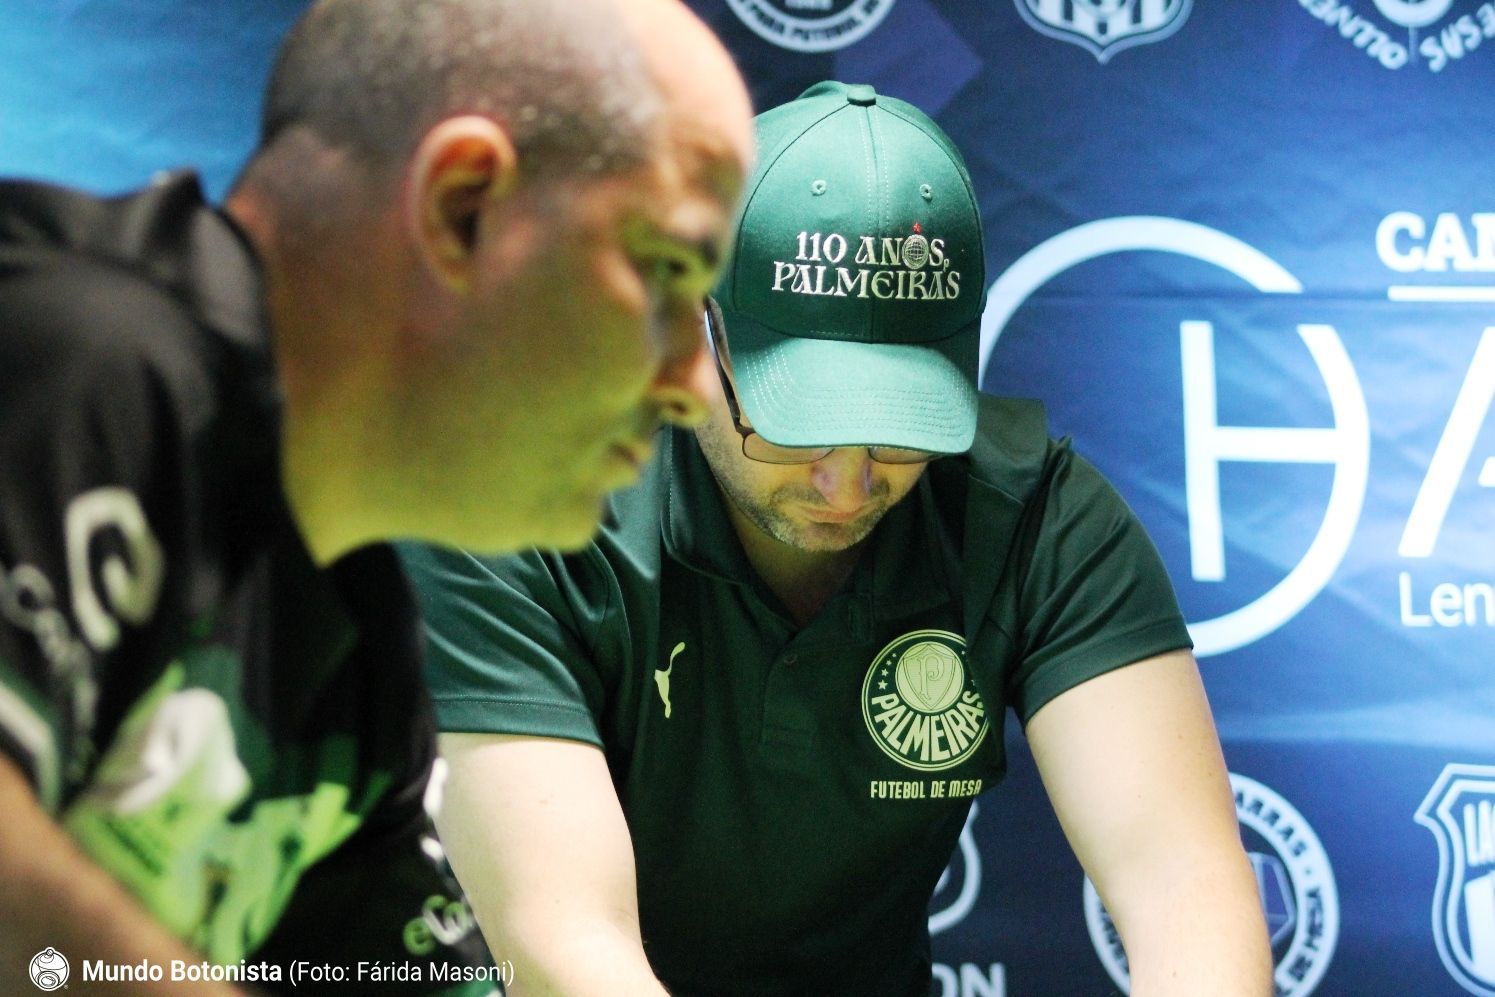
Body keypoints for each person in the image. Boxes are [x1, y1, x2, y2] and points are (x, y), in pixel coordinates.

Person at [403, 82, 1273, 996]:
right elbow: (564, 944)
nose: (847, 481)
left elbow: (1183, 887)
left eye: (902, 427)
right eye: (796, 422)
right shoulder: (504, 506)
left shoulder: (1033, 512)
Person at [0, 0, 752, 991]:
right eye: (665, 271)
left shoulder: (358, 656)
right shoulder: (74, 350)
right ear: (463, 208)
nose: (692, 384)